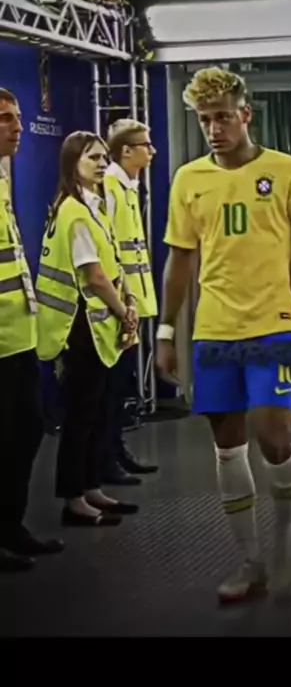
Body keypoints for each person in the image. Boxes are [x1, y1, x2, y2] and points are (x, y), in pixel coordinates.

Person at [156, 68, 291, 604]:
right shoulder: (188, 179)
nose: (214, 129)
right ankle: (251, 562)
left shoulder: (285, 171)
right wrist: (166, 330)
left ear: (245, 115)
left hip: (273, 326)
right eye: (205, 120)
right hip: (214, 331)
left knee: (274, 435)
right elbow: (179, 260)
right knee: (228, 445)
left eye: (223, 118)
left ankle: (284, 543)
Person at [35, 131, 139, 526]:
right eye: (92, 157)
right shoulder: (73, 211)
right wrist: (124, 311)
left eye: (103, 157)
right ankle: (73, 498)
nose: (101, 164)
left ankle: (91, 486)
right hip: (82, 328)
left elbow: (111, 262)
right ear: (72, 163)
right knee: (81, 416)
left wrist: (127, 299)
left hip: (100, 324)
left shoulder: (94, 207)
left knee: (96, 413)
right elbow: (93, 275)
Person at [0, 87, 64, 572]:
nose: (17, 126)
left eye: (18, 117)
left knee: (26, 431)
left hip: (18, 336)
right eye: (5, 118)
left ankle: (10, 526)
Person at [102, 119, 159, 486]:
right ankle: (106, 458)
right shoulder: (110, 186)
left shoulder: (127, 187)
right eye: (145, 145)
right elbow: (107, 249)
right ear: (126, 151)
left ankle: (116, 452)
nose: (152, 151)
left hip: (129, 305)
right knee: (111, 388)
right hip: (116, 306)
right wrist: (122, 303)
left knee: (120, 386)